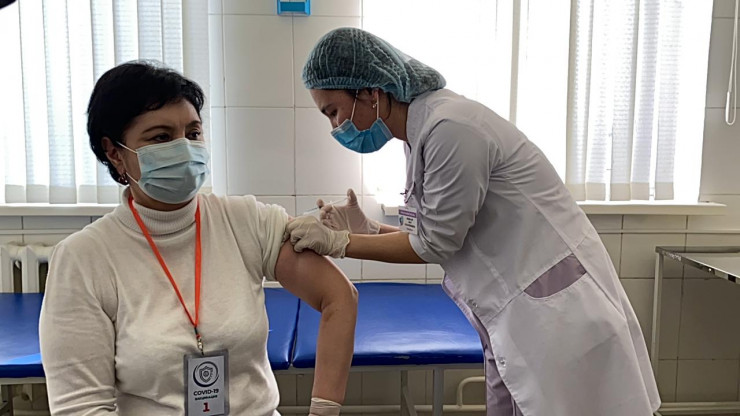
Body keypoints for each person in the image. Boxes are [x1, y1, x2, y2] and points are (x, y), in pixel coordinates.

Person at [286, 27, 660, 416]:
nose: (336, 128)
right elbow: (434, 231)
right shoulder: (420, 135)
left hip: (557, 314)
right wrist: (368, 229)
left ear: (370, 92)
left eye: (333, 112)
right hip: (516, 313)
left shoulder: (451, 128)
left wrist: (340, 243)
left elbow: (436, 244)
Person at [39, 61, 357, 416]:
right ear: (115, 153)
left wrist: (324, 411)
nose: (184, 148)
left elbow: (338, 296)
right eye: (161, 137)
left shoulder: (247, 221)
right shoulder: (84, 259)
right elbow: (82, 407)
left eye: (192, 134)